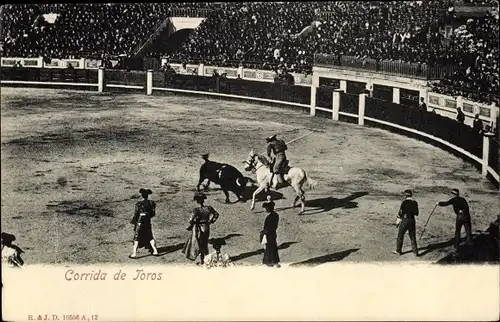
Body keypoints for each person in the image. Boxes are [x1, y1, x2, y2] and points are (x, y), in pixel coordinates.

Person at [182, 192, 220, 265]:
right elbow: (216, 214)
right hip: (206, 227)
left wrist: (192, 224)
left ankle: (202, 261)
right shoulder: (208, 208)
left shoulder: (196, 210)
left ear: (197, 201)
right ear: (203, 200)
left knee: (199, 245)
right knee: (205, 244)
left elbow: (191, 220)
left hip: (199, 228)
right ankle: (207, 259)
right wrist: (211, 221)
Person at [130, 188, 159, 258]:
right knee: (150, 235)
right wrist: (147, 216)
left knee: (137, 237)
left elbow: (136, 214)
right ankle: (155, 251)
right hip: (147, 220)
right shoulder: (152, 203)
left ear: (142, 195)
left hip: (140, 220)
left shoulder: (139, 203)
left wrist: (135, 221)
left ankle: (134, 254)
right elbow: (153, 213)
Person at [393, 190, 419, 256]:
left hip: (405, 220)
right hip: (412, 220)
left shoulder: (404, 203)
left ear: (405, 195)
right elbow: (416, 213)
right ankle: (415, 252)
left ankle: (398, 251)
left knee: (400, 236)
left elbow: (400, 213)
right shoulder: (415, 202)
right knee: (412, 236)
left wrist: (397, 222)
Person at [261, 199, 280, 268]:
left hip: (269, 234)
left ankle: (271, 262)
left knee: (269, 248)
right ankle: (274, 261)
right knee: (272, 247)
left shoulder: (270, 217)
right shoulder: (275, 215)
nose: (265, 209)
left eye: (266, 208)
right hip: (272, 233)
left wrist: (264, 233)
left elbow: (269, 227)